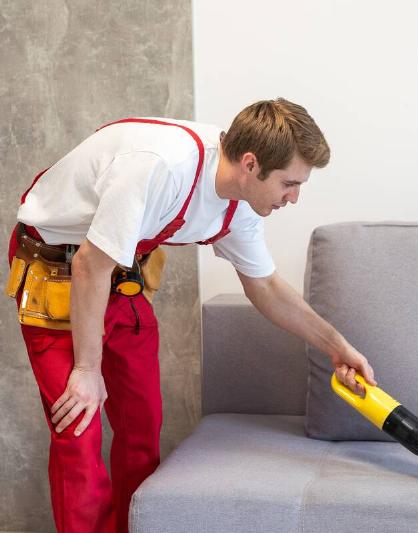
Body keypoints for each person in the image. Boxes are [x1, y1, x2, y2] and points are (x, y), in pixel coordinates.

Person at [5, 98, 377, 533]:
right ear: (251, 164)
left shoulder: (240, 203)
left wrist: (338, 348)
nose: (293, 198)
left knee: (142, 425)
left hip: (117, 279)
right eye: (289, 184)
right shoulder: (160, 167)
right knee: (79, 430)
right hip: (57, 276)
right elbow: (90, 264)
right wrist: (87, 369)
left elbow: (267, 287)